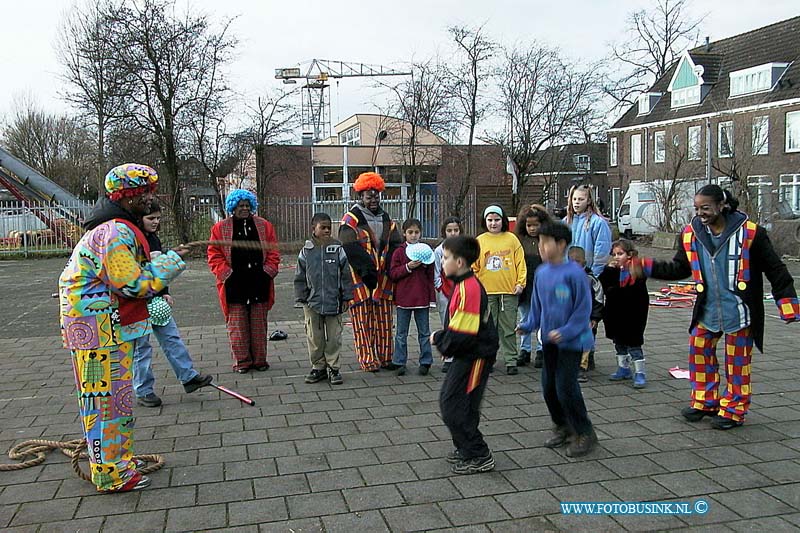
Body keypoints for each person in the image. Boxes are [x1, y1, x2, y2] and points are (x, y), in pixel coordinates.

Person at [59, 163, 189, 492]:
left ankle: (119, 462)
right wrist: (171, 261)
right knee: (106, 403)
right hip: (100, 329)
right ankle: (110, 474)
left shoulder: (115, 228)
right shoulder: (114, 232)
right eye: (145, 193)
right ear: (129, 196)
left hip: (104, 325)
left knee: (116, 400)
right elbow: (133, 284)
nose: (151, 198)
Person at [633, 185, 799, 429]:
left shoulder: (751, 233)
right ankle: (705, 401)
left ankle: (733, 409)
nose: (701, 213)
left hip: (739, 312)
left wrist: (787, 303)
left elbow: (776, 269)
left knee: (738, 363)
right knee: (699, 353)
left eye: (706, 208)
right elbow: (680, 268)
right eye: (697, 208)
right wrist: (647, 267)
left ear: (722, 205)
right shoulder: (690, 234)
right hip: (707, 310)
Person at [517, 221, 598, 457]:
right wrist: (529, 324)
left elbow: (583, 310)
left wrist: (567, 331)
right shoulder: (542, 273)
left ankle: (584, 432)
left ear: (561, 244)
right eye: (540, 242)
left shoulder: (574, 274)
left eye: (545, 242)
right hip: (549, 341)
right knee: (548, 387)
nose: (541, 247)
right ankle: (563, 426)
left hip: (571, 342)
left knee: (566, 387)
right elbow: (537, 306)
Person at [132, 200, 213, 407]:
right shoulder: (132, 241)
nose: (155, 222)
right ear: (139, 219)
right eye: (151, 218)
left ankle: (188, 377)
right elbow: (139, 274)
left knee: (172, 338)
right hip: (138, 303)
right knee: (142, 348)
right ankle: (143, 390)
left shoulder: (154, 240)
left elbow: (160, 271)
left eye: (158, 218)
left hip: (157, 300)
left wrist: (165, 292)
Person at [432, 236, 499, 474]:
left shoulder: (469, 288)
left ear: (459, 262)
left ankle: (479, 454)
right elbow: (459, 325)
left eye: (446, 258)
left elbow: (463, 334)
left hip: (475, 356)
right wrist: (447, 341)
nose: (443, 263)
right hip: (469, 353)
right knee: (457, 403)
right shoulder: (463, 284)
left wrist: (440, 340)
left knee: (454, 405)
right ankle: (466, 448)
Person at [208, 189, 280, 373]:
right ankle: (242, 362)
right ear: (233, 207)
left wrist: (268, 272)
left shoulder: (265, 226)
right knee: (237, 325)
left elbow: (273, 252)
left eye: (248, 205)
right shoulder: (220, 229)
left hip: (259, 282)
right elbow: (214, 255)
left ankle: (260, 360)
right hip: (234, 285)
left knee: (258, 324)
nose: (245, 209)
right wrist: (227, 274)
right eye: (241, 206)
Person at [339, 172, 403, 372]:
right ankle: (368, 359)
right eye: (369, 196)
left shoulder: (387, 219)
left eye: (376, 195)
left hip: (383, 279)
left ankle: (386, 357)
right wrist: (366, 270)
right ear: (361, 197)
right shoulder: (350, 219)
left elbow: (396, 244)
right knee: (362, 320)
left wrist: (391, 265)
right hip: (360, 278)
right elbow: (349, 247)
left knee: (384, 320)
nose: (373, 199)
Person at [294, 212, 353, 386]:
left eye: (329, 227)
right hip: (312, 303)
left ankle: (334, 368)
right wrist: (302, 298)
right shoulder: (306, 250)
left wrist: (346, 297)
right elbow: (299, 276)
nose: (327, 230)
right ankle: (318, 367)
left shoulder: (338, 248)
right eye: (323, 227)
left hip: (334, 302)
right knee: (314, 337)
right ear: (314, 228)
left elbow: (346, 275)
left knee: (334, 337)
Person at [473, 205, 527, 374]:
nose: (493, 223)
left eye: (496, 220)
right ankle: (488, 359)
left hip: (509, 293)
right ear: (485, 221)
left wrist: (520, 283)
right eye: (490, 220)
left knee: (508, 328)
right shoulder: (480, 240)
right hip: (487, 293)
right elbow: (474, 266)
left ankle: (511, 360)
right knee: (488, 328)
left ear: (502, 221)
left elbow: (520, 263)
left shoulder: (512, 239)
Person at [387, 218, 436, 375]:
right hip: (403, 299)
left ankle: (426, 361)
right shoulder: (399, 252)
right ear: (404, 233)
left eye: (416, 232)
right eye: (410, 232)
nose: (413, 235)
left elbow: (430, 276)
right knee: (401, 333)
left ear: (420, 233)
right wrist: (407, 267)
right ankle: (399, 362)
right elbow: (393, 274)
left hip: (422, 299)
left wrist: (432, 298)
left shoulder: (426, 252)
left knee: (424, 333)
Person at [598, 239, 649, 388]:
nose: (616, 257)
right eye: (614, 254)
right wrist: (608, 269)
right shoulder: (613, 270)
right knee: (618, 342)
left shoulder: (636, 270)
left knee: (634, 344)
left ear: (629, 255)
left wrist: (615, 290)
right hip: (615, 314)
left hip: (633, 315)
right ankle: (623, 368)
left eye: (620, 254)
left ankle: (640, 372)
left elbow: (634, 292)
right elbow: (602, 283)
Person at [514, 204, 550, 368]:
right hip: (526, 285)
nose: (533, 228)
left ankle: (542, 350)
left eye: (536, 224)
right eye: (529, 225)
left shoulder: (548, 240)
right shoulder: (519, 241)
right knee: (526, 317)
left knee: (543, 319)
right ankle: (525, 349)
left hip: (543, 286)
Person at [567, 246, 605, 383]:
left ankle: (582, 368)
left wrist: (595, 317)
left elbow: (598, 300)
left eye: (578, 262)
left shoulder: (591, 280)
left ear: (584, 263)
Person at [433, 216, 463, 373]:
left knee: (463, 324)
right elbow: (436, 273)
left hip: (463, 292)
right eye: (449, 230)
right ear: (444, 232)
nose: (453, 233)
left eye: (456, 230)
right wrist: (440, 289)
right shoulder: (439, 250)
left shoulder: (464, 248)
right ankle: (449, 357)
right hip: (445, 293)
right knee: (448, 324)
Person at [563, 184, 612, 276]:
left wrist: (593, 276)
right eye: (574, 199)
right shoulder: (565, 222)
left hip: (587, 275)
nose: (576, 202)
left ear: (589, 200)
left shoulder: (598, 223)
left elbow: (602, 253)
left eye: (581, 199)